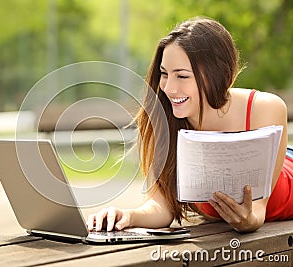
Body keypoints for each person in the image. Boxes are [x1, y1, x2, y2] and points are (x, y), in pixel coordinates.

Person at [87, 16, 293, 233]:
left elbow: (258, 211)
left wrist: (249, 220)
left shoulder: (264, 107)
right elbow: (161, 207)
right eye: (165, 74)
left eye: (182, 76)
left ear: (216, 75)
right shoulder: (166, 121)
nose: (168, 88)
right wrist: (127, 215)